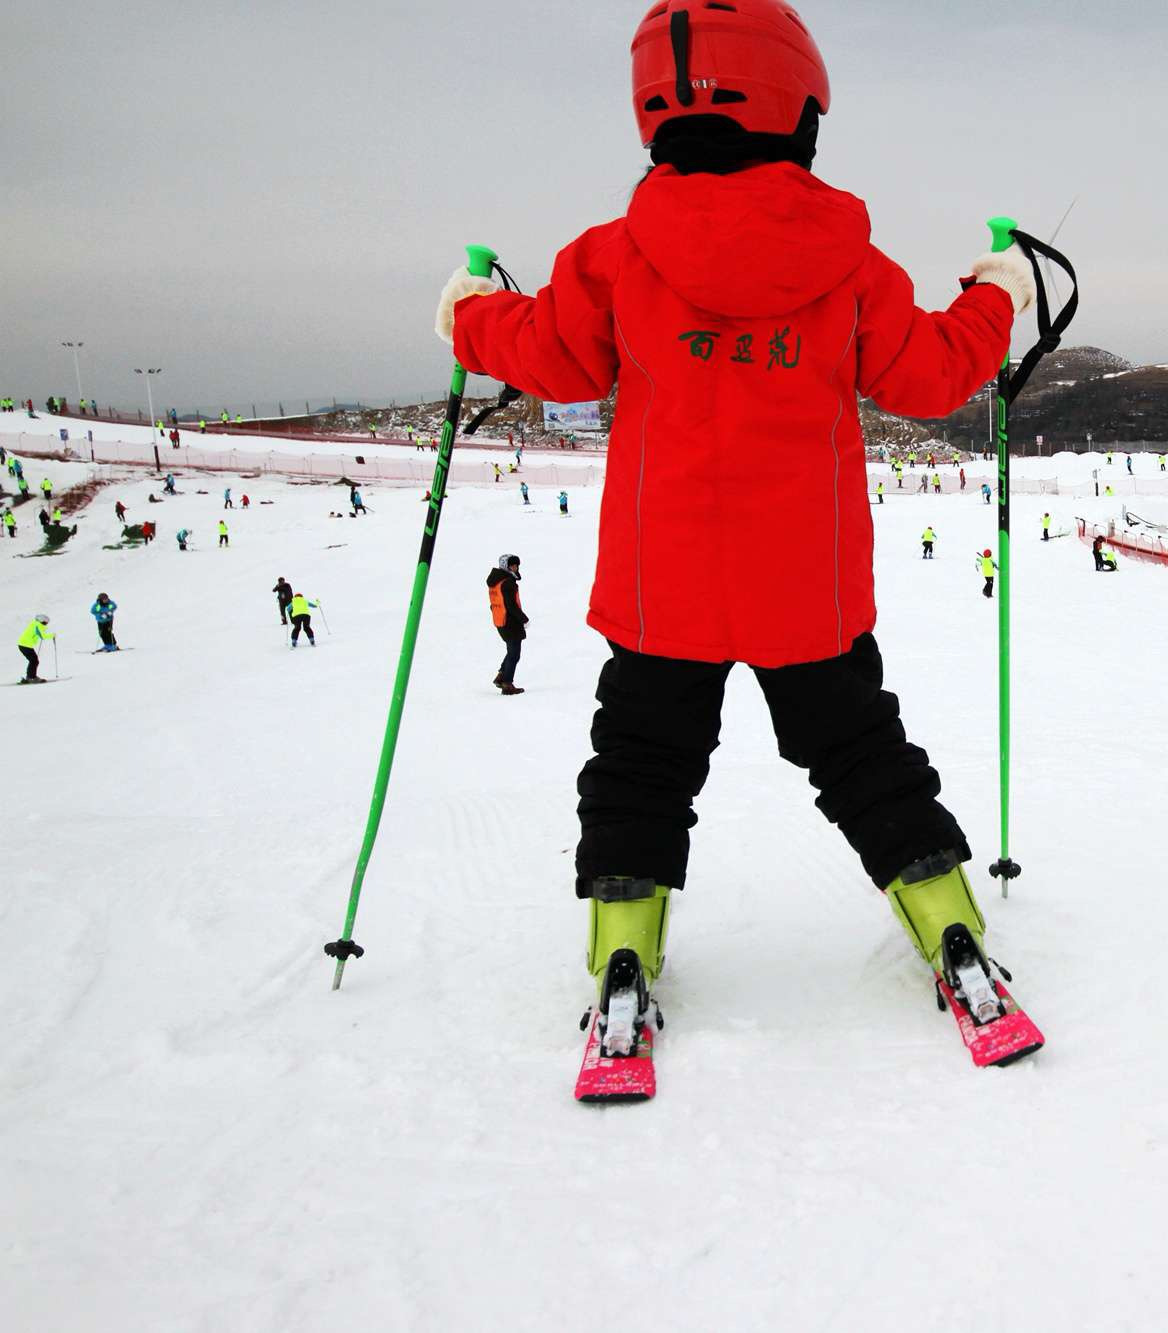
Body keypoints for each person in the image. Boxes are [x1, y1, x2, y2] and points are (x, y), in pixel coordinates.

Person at [434, 0, 1034, 1050]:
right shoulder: (846, 261)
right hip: (808, 589)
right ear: (798, 104)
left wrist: (468, 312)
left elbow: (551, 355)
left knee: (640, 763)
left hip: (660, 585)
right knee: (860, 754)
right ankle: (948, 927)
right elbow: (933, 373)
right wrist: (996, 297)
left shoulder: (613, 255)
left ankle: (622, 953)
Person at [487, 554, 529, 695]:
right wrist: (524, 619)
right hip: (510, 622)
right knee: (514, 654)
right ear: (506, 566)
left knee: (511, 651)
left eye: (516, 565)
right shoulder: (508, 583)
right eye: (512, 565)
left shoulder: (496, 581)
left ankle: (501, 676)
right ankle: (507, 684)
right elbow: (511, 605)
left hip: (500, 620)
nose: (515, 568)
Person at [18, 613, 54, 682]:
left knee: (34, 661)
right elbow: (43, 636)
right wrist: (52, 635)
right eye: (45, 622)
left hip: (24, 645)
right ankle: (31, 677)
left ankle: (30, 676)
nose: (46, 624)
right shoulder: (38, 625)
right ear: (42, 621)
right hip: (25, 645)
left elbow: (39, 635)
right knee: (34, 661)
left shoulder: (35, 624)